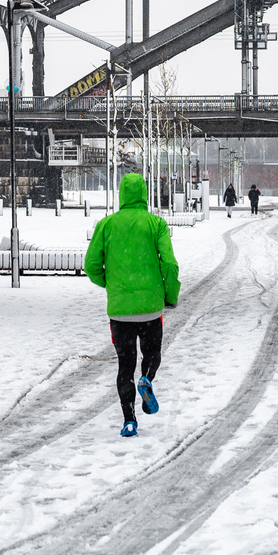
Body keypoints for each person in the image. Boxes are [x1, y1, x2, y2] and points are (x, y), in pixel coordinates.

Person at [85, 173, 181, 438]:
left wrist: (112, 284)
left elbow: (91, 265)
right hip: (150, 307)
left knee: (124, 365)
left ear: (121, 195)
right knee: (152, 353)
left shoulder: (106, 225)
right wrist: (169, 295)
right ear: (144, 194)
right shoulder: (156, 224)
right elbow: (170, 264)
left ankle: (129, 420)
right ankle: (147, 378)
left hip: (120, 312)